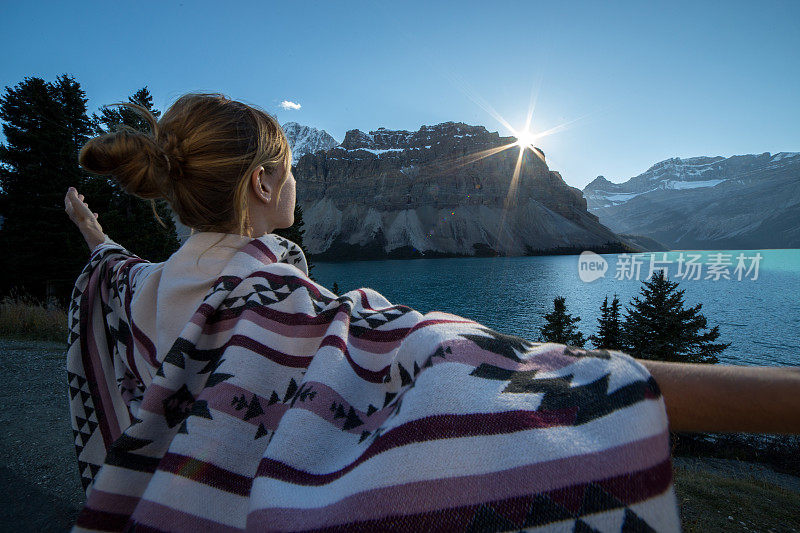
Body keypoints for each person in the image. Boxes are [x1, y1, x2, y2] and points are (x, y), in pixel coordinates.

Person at [63, 94, 797, 533]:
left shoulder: (149, 285)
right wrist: (777, 396)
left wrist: (96, 237)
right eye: (289, 168)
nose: (299, 182)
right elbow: (436, 356)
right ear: (261, 182)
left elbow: (114, 272)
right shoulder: (281, 303)